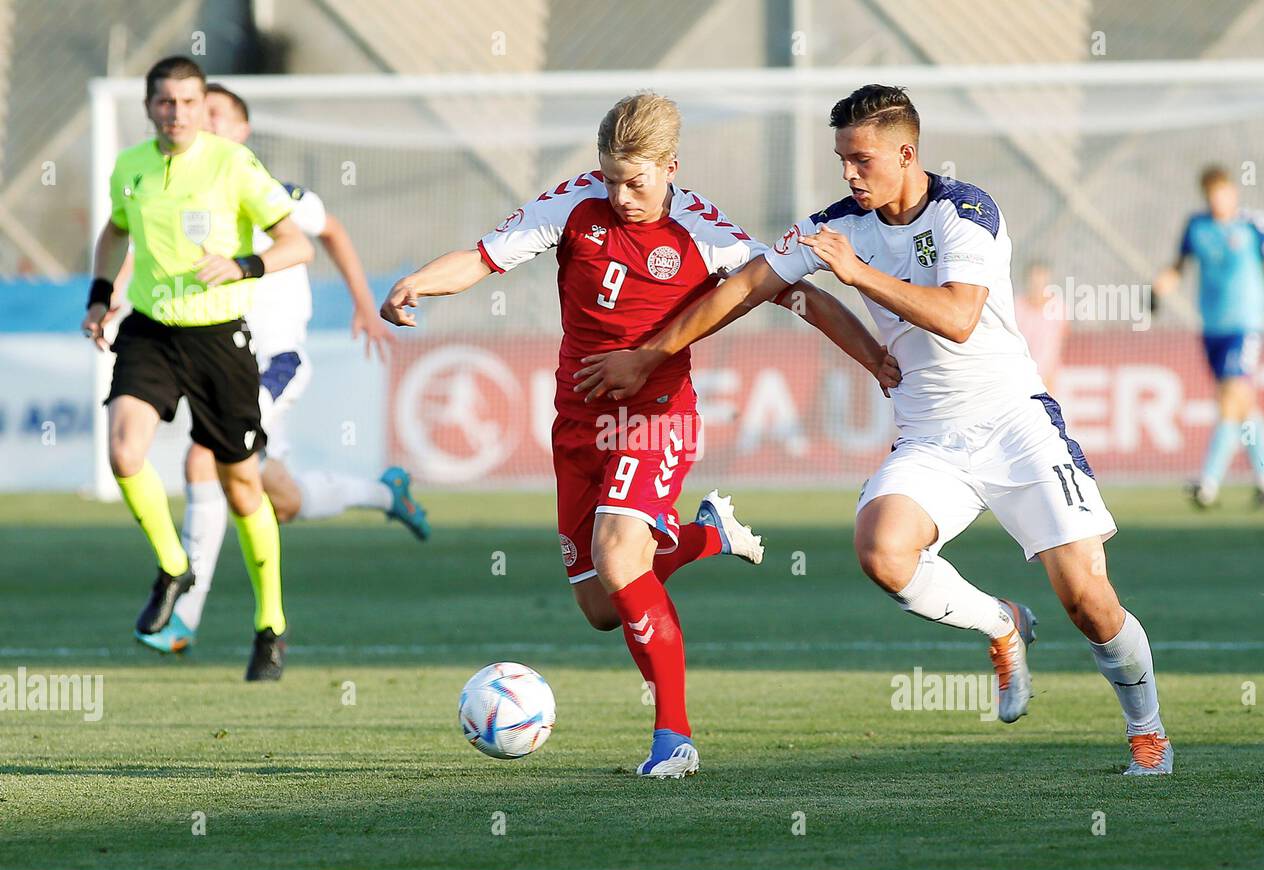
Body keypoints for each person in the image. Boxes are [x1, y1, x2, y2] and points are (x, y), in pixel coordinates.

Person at [576, 85, 1173, 775]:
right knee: (881, 550)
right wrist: (651, 353)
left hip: (1016, 425)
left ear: (906, 153)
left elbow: (956, 317)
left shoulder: (965, 211)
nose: (849, 174)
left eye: (861, 160)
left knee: (1089, 602)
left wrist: (855, 270)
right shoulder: (836, 223)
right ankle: (1001, 622)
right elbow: (746, 286)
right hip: (928, 436)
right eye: (841, 160)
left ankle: (1147, 730)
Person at [381, 92, 898, 777]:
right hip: (577, 427)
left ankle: (674, 738)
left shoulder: (706, 230)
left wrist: (874, 356)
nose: (622, 195)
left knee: (621, 555)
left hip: (656, 420)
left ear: (670, 166)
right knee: (601, 604)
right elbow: (482, 258)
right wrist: (416, 282)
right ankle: (706, 534)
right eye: (611, 177)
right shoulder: (572, 204)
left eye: (638, 181)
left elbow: (797, 293)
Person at [130, 82, 431, 655]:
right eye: (197, 113)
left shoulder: (276, 193)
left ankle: (181, 618)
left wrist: (366, 305)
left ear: (243, 130)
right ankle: (387, 494)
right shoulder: (188, 203)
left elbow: (332, 232)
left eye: (215, 113)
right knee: (281, 501)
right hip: (216, 358)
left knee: (206, 454)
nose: (202, 122)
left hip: (273, 361)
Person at [80, 56, 312, 681]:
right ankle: (174, 567)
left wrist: (243, 264)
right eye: (164, 102)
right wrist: (101, 296)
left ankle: (271, 625)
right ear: (150, 106)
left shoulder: (233, 164)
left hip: (219, 339)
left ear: (201, 103)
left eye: (187, 101)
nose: (176, 113)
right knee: (125, 454)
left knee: (242, 489)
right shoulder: (131, 167)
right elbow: (115, 231)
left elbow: (298, 242)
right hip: (151, 332)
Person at [1154, 165, 1264, 508]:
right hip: (1212, 327)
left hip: (1245, 325)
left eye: (1223, 193)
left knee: (1232, 397)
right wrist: (1157, 292)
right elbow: (1179, 266)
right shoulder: (1197, 226)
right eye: (1212, 195)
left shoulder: (1253, 225)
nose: (1219, 200)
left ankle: (1208, 482)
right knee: (1242, 404)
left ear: (1233, 191)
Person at [1014, 261, 1069, 394]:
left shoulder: (1058, 306)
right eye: (1034, 280)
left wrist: (1050, 374)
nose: (1037, 285)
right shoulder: (1016, 306)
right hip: (1020, 375)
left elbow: (1062, 340)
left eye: (1041, 280)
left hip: (1048, 377)